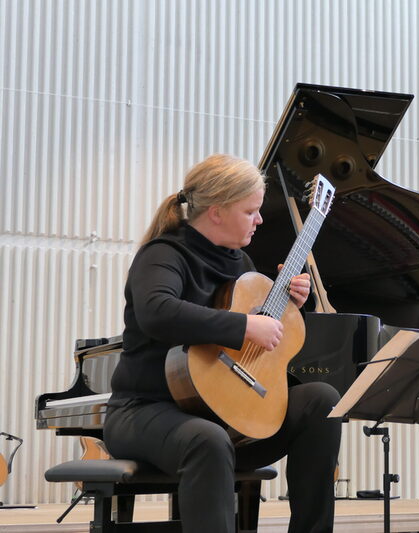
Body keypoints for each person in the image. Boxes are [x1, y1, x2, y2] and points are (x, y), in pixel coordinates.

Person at [103, 154, 341, 533]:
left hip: (224, 413)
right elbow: (157, 312)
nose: (260, 220)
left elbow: (260, 341)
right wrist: (245, 325)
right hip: (145, 411)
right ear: (216, 212)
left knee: (323, 401)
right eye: (250, 211)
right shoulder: (164, 254)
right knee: (207, 440)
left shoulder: (241, 262)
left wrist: (291, 305)